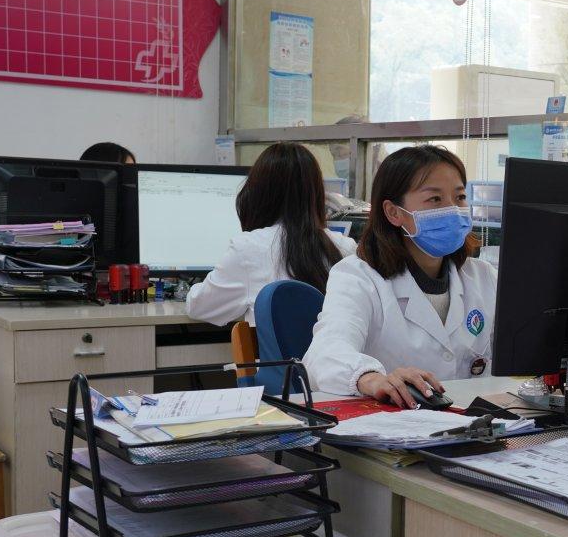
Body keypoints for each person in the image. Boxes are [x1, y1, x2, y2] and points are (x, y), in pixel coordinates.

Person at [304, 144, 494, 406]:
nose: (453, 210)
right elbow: (325, 353)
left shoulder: (483, 277)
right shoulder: (358, 277)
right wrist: (371, 378)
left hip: (476, 419)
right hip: (394, 420)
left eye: (460, 197)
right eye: (435, 199)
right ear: (394, 212)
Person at [186, 143, 355, 327]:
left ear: (257, 193)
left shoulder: (248, 249)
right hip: (333, 347)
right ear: (316, 194)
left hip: (276, 350)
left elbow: (199, 306)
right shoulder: (345, 248)